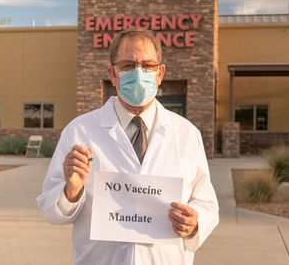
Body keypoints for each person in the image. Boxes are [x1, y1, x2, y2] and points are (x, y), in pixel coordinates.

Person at [37, 29, 219, 265]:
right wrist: (71, 192)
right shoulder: (80, 131)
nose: (139, 72)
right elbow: (52, 213)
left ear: (160, 73)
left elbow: (207, 204)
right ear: (113, 74)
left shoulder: (186, 134)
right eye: (127, 65)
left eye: (148, 65)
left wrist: (195, 223)